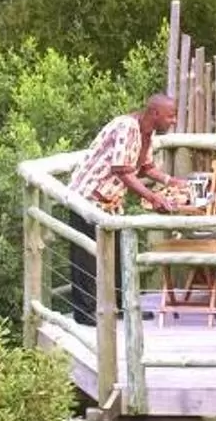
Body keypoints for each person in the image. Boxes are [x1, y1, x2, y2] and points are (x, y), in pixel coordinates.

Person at [65, 94, 185, 323]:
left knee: (120, 257)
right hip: (87, 197)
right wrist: (153, 197)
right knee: (86, 257)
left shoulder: (147, 134)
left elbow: (146, 167)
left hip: (111, 202)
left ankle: (121, 307)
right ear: (155, 113)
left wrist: (171, 182)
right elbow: (122, 169)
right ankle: (84, 312)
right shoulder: (127, 126)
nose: (173, 121)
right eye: (170, 116)